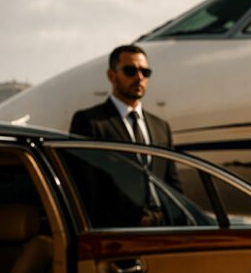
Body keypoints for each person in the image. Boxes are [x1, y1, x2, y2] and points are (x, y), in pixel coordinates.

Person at [69, 44, 182, 194]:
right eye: (130, 71)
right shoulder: (91, 122)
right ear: (111, 75)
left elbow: (172, 184)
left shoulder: (161, 127)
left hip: (160, 216)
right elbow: (84, 185)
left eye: (145, 72)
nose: (139, 77)